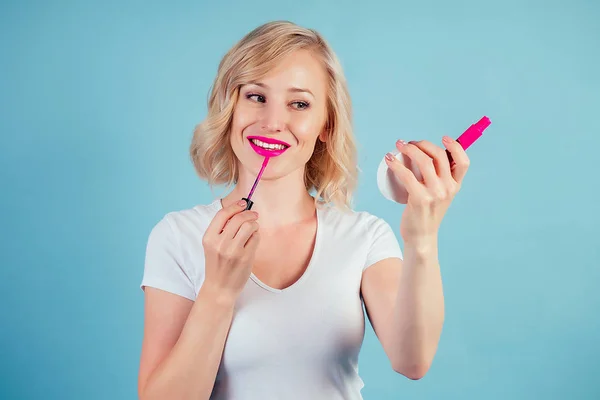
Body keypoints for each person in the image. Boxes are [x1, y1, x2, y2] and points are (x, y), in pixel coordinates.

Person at [137, 20, 471, 400]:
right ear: (229, 107)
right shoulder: (178, 236)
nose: (273, 123)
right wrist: (217, 291)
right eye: (256, 97)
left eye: (299, 103)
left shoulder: (364, 237)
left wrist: (422, 237)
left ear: (326, 125)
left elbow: (413, 361)